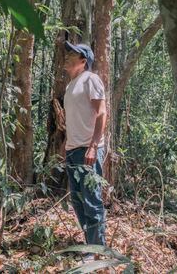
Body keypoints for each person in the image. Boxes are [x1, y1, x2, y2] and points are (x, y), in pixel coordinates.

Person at [63, 41, 107, 253]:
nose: (68, 56)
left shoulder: (91, 79)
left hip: (88, 149)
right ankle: (90, 245)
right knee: (77, 200)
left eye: (73, 54)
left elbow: (102, 112)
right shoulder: (70, 85)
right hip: (73, 150)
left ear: (83, 60)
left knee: (91, 200)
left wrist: (93, 145)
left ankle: (98, 251)